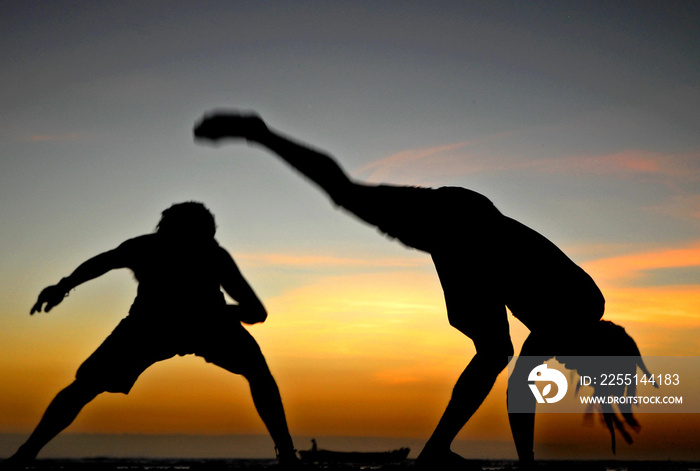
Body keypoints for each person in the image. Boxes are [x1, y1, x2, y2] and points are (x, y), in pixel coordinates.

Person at [193, 111, 647, 469]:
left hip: (465, 228)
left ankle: (435, 452)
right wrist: (530, 461)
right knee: (347, 194)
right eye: (583, 371)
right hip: (465, 227)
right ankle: (259, 133)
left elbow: (520, 388)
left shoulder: (573, 322)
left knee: (491, 351)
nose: (567, 368)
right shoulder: (577, 312)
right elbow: (522, 391)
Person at [1, 202, 300, 470]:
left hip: (201, 324)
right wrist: (62, 287)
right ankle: (26, 453)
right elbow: (102, 263)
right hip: (151, 324)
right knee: (85, 385)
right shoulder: (152, 247)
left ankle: (287, 454)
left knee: (259, 373)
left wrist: (215, 314)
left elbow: (256, 312)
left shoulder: (210, 254)